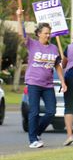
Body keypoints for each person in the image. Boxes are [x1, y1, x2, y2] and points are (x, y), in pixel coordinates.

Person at [15, 8, 66, 148]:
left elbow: (57, 66)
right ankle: (33, 140)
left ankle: (36, 132)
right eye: (45, 33)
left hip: (48, 85)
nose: (48, 35)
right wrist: (19, 18)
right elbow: (21, 34)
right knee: (35, 112)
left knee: (51, 111)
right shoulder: (32, 44)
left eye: (49, 33)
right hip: (33, 83)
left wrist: (63, 81)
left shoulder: (54, 48)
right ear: (38, 34)